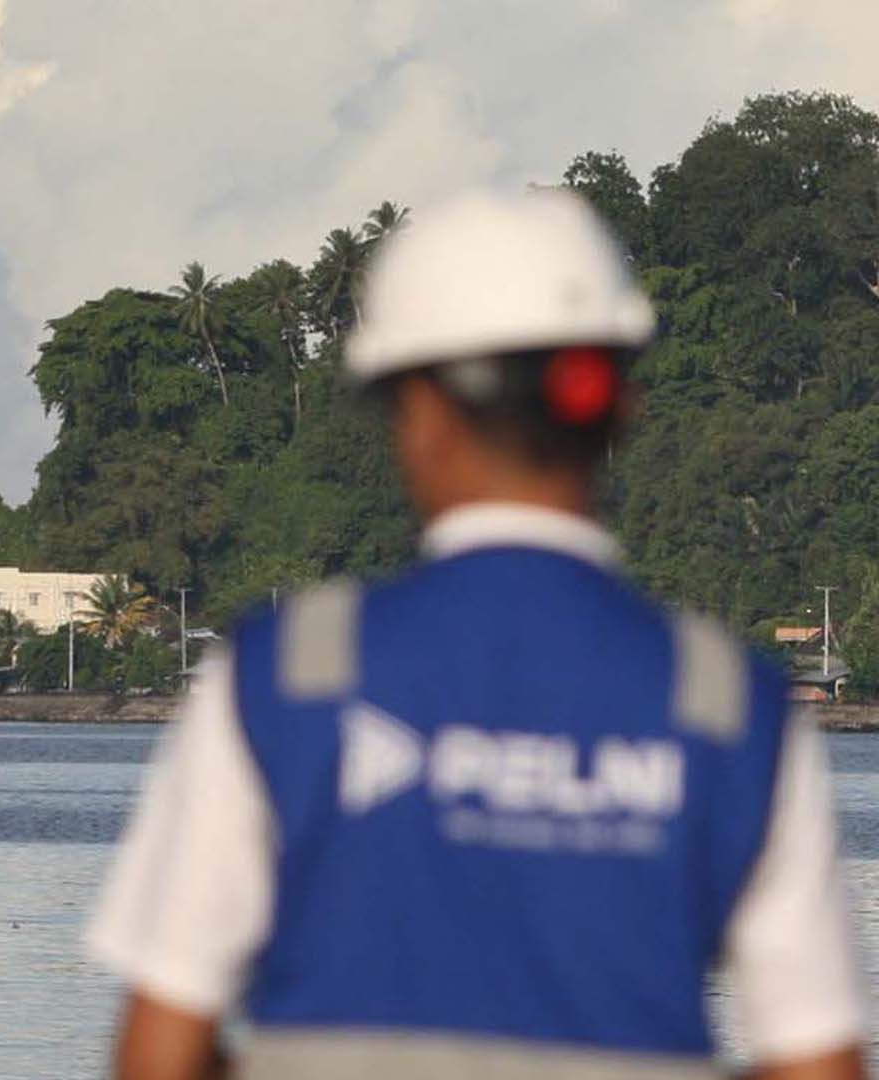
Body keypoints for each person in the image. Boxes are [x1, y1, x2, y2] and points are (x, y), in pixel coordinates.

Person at [88, 189, 867, 1080]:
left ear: (415, 413)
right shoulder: (731, 706)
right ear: (618, 407)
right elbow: (819, 1066)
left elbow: (158, 1053)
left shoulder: (288, 677)